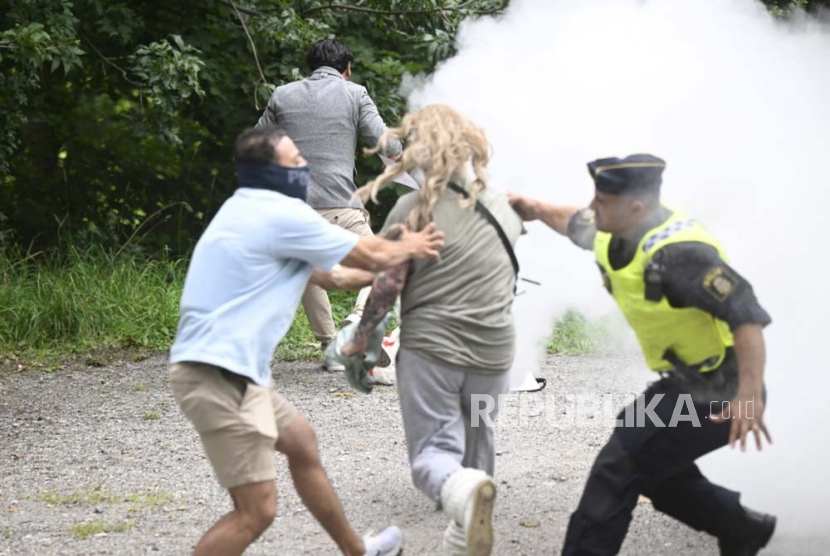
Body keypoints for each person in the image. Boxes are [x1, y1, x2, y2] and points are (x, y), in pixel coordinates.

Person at [168, 125, 443, 556]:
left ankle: (357, 550)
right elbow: (369, 253)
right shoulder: (279, 214)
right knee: (254, 513)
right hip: (218, 376)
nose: (304, 166)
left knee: (301, 443)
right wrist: (415, 244)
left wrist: (396, 269)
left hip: (230, 372)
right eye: (295, 161)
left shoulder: (247, 211)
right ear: (270, 172)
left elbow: (337, 277)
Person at [508, 154, 776, 556]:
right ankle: (741, 528)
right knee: (654, 469)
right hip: (685, 384)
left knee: (620, 465)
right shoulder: (612, 229)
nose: (593, 208)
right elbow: (572, 220)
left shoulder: (680, 254)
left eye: (602, 202)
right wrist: (534, 208)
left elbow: (747, 316)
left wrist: (749, 396)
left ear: (636, 208)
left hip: (723, 390)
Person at [330, 105, 523, 556]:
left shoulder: (412, 209)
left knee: (432, 452)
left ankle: (463, 493)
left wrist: (362, 339)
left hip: (433, 349)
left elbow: (386, 285)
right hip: (495, 349)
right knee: (479, 435)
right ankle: (468, 521)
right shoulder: (503, 205)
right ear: (469, 148)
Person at [257, 38, 403, 371]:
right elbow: (388, 146)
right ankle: (358, 320)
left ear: (311, 67)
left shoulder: (282, 95)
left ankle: (330, 345)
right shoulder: (355, 93)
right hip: (341, 208)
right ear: (347, 69)